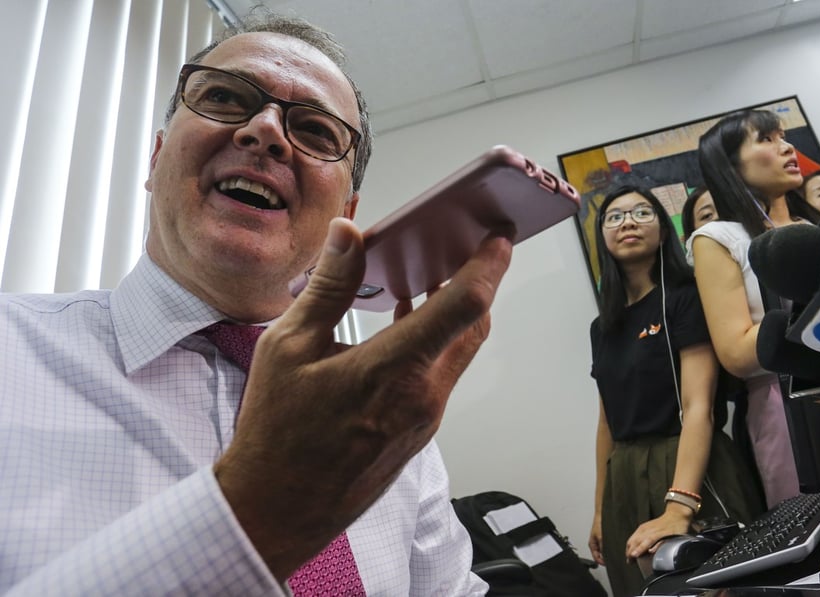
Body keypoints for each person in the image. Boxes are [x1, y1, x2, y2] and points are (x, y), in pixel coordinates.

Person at [0, 11, 513, 596]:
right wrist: (263, 505)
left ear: (346, 215)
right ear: (155, 159)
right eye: (224, 96)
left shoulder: (377, 418)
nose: (265, 130)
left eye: (317, 130)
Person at [587, 185, 762, 596]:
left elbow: (698, 406)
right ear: (603, 238)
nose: (627, 221)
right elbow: (606, 423)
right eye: (615, 217)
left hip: (691, 464)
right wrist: (600, 510)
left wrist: (680, 505)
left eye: (642, 213)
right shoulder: (602, 326)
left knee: (718, 585)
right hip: (625, 476)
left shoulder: (686, 298)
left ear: (664, 232)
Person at [688, 109, 820, 508]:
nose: (787, 147)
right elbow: (737, 353)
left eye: (784, 136)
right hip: (789, 403)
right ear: (730, 165)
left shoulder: (819, 228)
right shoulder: (718, 237)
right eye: (767, 139)